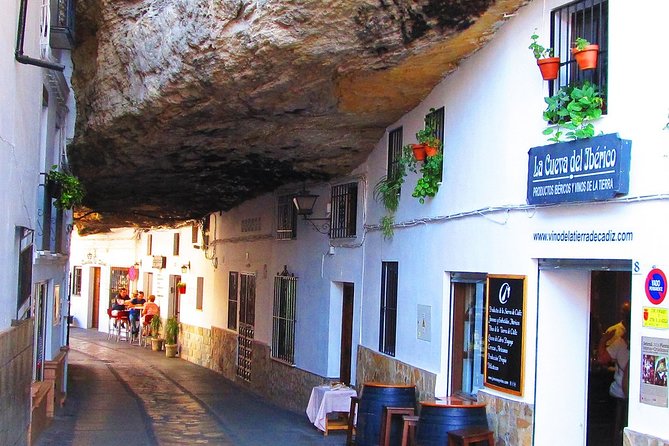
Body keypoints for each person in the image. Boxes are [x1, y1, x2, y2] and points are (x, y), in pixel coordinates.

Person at [597, 301, 630, 445]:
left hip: (620, 393)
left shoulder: (620, 342)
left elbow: (601, 359)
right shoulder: (628, 341)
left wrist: (603, 339)